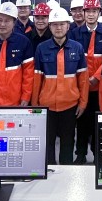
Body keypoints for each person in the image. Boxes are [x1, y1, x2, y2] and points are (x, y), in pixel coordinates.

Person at [32, 8, 88, 165]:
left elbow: (83, 79)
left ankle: (66, 173)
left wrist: (83, 103)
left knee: (68, 142)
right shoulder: (41, 48)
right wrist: (35, 105)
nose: (58, 28)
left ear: (68, 26)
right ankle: (49, 172)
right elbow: (37, 79)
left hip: (70, 106)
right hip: (47, 106)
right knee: (48, 143)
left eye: (62, 24)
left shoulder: (77, 48)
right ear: (50, 27)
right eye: (55, 24)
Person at [68, 0, 102, 164]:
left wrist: (96, 77)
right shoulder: (74, 34)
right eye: (88, 11)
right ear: (84, 13)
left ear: (99, 13)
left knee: (97, 122)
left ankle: (97, 154)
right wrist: (82, 80)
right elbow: (72, 59)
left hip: (99, 87)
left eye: (94, 11)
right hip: (80, 86)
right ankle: (80, 154)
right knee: (81, 122)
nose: (91, 14)